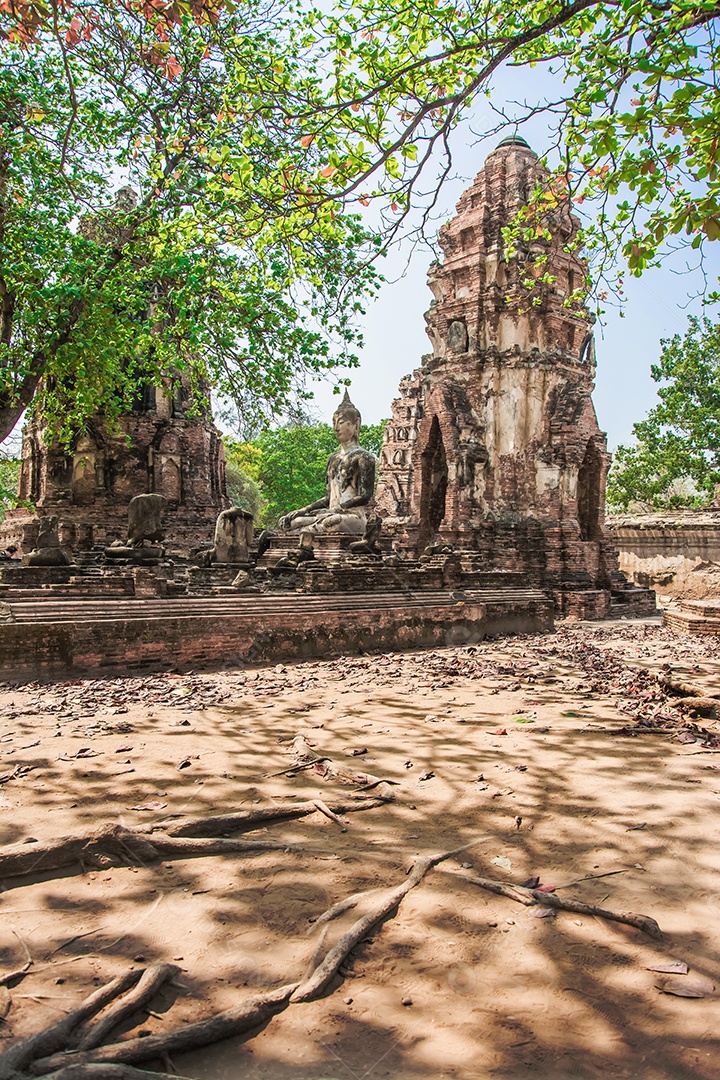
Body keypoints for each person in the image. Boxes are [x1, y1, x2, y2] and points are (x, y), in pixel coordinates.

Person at [279, 391, 375, 537]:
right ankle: (301, 533)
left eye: (341, 422)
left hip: (351, 517)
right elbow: (327, 498)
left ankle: (302, 535)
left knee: (332, 522)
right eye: (334, 423)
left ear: (356, 425)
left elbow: (365, 496)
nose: (336, 428)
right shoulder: (333, 458)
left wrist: (337, 509)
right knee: (289, 522)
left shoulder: (364, 457)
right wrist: (304, 510)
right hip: (328, 514)